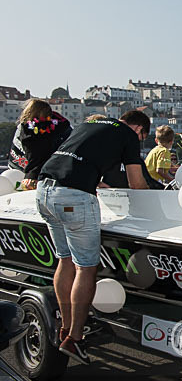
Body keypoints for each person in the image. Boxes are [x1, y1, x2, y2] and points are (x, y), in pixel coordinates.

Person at [36, 110, 151, 365]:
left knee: (64, 261)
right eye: (143, 137)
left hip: (44, 191)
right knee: (85, 268)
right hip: (73, 198)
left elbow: (77, 160)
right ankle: (76, 339)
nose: (140, 140)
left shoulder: (90, 123)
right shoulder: (128, 135)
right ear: (138, 129)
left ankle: (66, 329)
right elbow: (137, 183)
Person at [11, 99, 72, 190]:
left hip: (37, 175)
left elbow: (34, 153)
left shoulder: (30, 130)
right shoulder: (63, 125)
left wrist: (31, 175)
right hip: (62, 172)